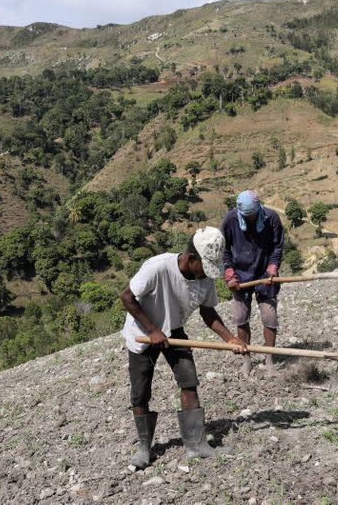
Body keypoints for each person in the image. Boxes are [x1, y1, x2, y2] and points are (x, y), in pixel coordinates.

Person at [120, 227, 247, 469]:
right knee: (140, 391)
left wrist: (230, 338)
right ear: (191, 259)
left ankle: (196, 445)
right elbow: (127, 297)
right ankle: (145, 448)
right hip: (142, 333)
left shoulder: (205, 278)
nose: (206, 275)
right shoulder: (158, 267)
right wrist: (152, 330)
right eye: (203, 268)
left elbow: (207, 312)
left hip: (174, 329)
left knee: (189, 381)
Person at [222, 190, 284, 375]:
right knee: (241, 319)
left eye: (253, 215)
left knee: (270, 317)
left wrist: (273, 266)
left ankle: (269, 358)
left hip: (265, 275)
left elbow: (277, 246)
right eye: (246, 216)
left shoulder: (271, 218)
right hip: (240, 276)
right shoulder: (231, 219)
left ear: (259, 209)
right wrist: (230, 273)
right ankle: (246, 358)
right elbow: (224, 249)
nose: (250, 219)